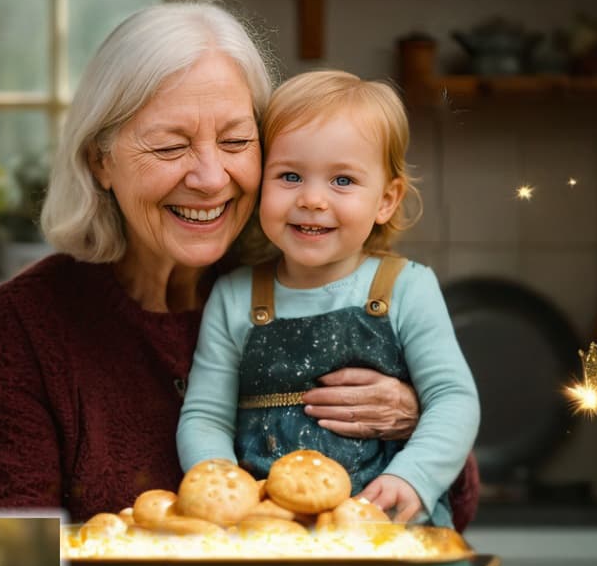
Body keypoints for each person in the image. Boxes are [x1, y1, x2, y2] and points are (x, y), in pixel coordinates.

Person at [0, 2, 430, 520]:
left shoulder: (316, 275)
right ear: (101, 160)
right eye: (171, 147)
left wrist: (414, 417)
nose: (211, 178)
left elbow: (456, 496)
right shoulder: (34, 316)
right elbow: (18, 544)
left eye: (236, 141)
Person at [177, 70, 480, 526]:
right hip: (267, 531)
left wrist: (414, 478)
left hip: (386, 527)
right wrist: (219, 490)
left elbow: (454, 399)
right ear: (261, 185)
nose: (313, 199)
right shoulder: (234, 296)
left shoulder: (407, 288)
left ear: (387, 199)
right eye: (291, 176)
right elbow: (205, 416)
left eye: (342, 181)